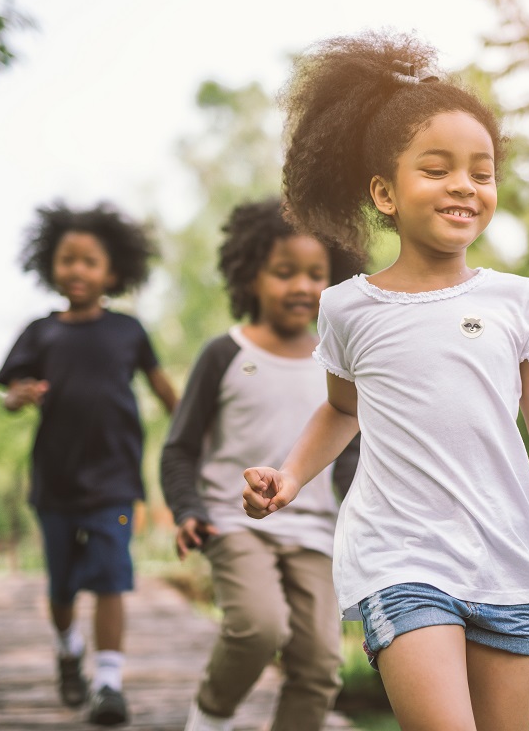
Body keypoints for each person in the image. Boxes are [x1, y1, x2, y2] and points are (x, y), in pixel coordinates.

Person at [241, 32, 529, 731]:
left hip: (504, 559)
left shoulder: (516, 301)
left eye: (482, 170)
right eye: (436, 169)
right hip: (398, 557)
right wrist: (290, 477)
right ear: (385, 191)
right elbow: (340, 410)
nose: (464, 186)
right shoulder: (349, 307)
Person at [160, 198, 361, 731]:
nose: (301, 285)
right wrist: (187, 509)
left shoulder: (337, 362)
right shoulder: (223, 354)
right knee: (258, 627)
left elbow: (350, 454)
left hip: (315, 531)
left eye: (316, 274)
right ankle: (209, 716)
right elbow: (179, 447)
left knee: (319, 662)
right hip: (232, 522)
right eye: (284, 272)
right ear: (251, 276)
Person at [0, 201, 177, 726]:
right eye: (66, 259)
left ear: (112, 272)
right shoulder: (40, 331)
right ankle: (68, 646)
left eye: (89, 261)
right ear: (50, 266)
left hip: (115, 480)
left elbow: (164, 389)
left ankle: (110, 685)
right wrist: (18, 396)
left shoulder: (128, 331)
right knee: (61, 589)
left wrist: (194, 429)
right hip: (55, 481)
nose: (77, 270)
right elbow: (8, 392)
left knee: (111, 581)